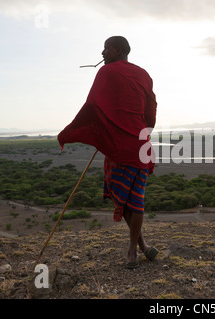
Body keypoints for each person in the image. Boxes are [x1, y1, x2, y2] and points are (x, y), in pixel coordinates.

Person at [58, 36, 158, 269]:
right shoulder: (144, 74)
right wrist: (144, 131)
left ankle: (133, 250)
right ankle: (141, 246)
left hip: (119, 145)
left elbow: (93, 105)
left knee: (128, 198)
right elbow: (150, 108)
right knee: (132, 197)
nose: (102, 53)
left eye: (107, 48)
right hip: (141, 145)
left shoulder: (106, 73)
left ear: (119, 50)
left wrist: (71, 132)